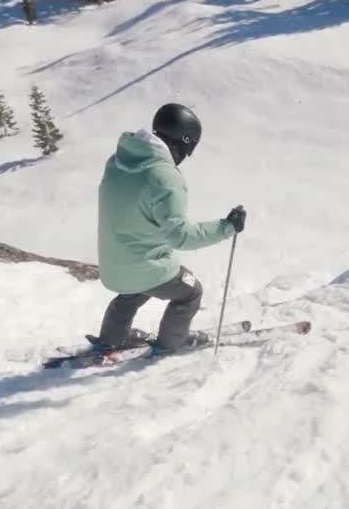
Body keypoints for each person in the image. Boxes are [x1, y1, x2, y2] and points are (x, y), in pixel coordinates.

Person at [93, 103, 246, 353]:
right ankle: (172, 342)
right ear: (184, 143)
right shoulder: (164, 176)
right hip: (139, 268)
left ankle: (111, 337)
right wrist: (227, 227)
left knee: (135, 289)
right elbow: (181, 237)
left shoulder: (118, 161)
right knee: (190, 291)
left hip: (112, 267)